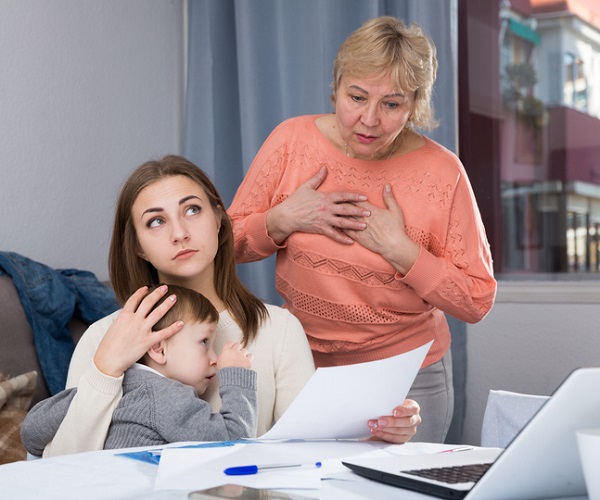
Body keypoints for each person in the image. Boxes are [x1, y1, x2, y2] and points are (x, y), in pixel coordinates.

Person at [41, 155, 421, 458]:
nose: (179, 233)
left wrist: (378, 433)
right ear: (138, 246)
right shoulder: (104, 338)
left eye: (192, 210)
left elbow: (309, 452)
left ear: (220, 220)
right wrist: (107, 368)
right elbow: (60, 470)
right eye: (156, 221)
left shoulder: (278, 329)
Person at [228, 16, 497, 443]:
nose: (368, 120)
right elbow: (225, 246)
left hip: (408, 377)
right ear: (336, 87)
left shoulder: (443, 173)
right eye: (356, 97)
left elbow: (477, 299)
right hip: (303, 366)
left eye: (391, 104)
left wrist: (403, 252)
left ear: (415, 106)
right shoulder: (290, 142)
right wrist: (281, 219)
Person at [21, 285, 257, 456]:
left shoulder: (108, 386)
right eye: (204, 343)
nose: (215, 359)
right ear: (158, 349)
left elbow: (31, 433)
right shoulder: (167, 397)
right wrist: (236, 376)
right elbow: (234, 441)